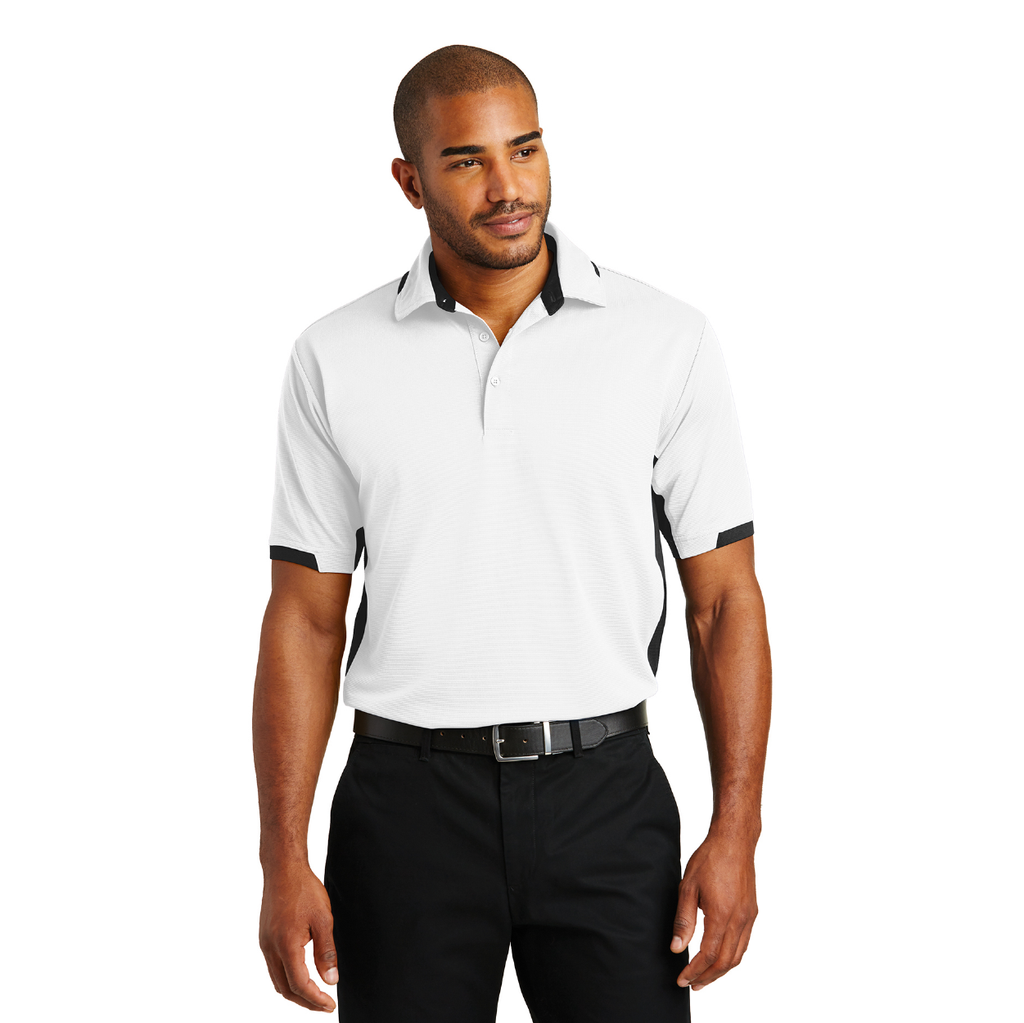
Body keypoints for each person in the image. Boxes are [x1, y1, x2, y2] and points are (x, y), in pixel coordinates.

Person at [253, 44, 771, 1021]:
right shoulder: (334, 357)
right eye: (467, 161)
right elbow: (305, 620)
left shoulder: (666, 341)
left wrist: (736, 829)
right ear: (410, 181)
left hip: (607, 797)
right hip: (403, 807)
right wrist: (282, 856)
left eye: (524, 150)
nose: (507, 187)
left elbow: (724, 602)